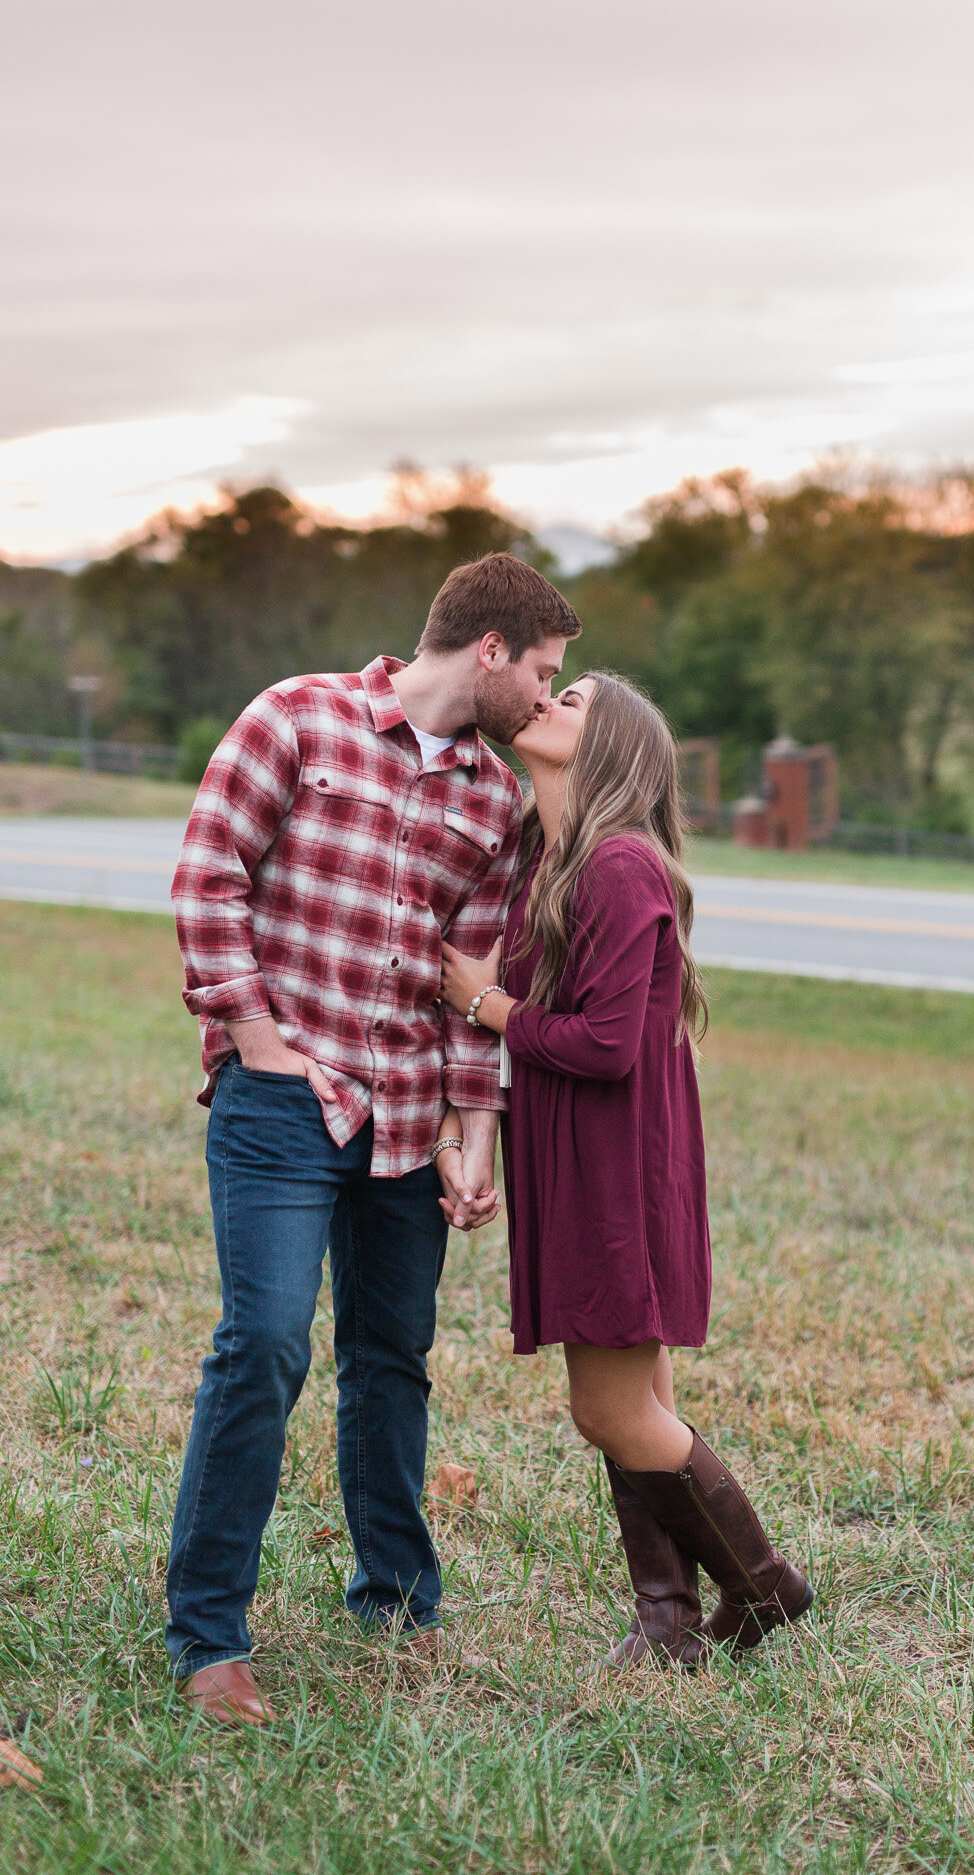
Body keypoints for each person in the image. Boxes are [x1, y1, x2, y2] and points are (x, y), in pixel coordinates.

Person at [165, 552, 581, 1725]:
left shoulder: (495, 801)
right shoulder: (295, 719)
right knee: (265, 1346)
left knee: (391, 1359)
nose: (548, 698)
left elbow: (474, 974)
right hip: (286, 1102)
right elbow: (207, 875)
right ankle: (209, 1632)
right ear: (489, 649)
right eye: (545, 672)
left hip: (407, 1115)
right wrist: (250, 1030)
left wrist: (475, 1132)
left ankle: (397, 1598)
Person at [441, 672, 814, 1667]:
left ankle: (764, 1583)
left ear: (611, 748)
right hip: (582, 1158)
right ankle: (670, 1624)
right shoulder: (553, 861)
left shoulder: (618, 868)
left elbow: (604, 1044)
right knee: (635, 1401)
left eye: (573, 698)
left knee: (607, 1406)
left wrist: (489, 1007)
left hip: (615, 1168)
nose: (549, 697)